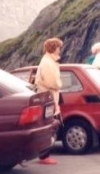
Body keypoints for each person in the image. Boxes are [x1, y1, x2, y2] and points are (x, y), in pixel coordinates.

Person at [34, 37, 63, 165]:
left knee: (49, 126)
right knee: (49, 127)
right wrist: (60, 84)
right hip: (49, 98)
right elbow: (53, 83)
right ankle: (44, 155)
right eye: (58, 47)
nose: (59, 49)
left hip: (48, 98)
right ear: (54, 48)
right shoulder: (48, 63)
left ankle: (44, 154)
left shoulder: (48, 61)